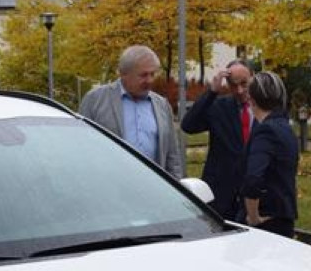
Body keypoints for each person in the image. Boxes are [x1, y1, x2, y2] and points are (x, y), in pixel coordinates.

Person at [78, 45, 183, 178]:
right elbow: (81, 146)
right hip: (108, 183)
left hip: (152, 184)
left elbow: (172, 155)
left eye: (153, 74)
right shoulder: (95, 100)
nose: (149, 80)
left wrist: (175, 185)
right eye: (143, 75)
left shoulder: (161, 105)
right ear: (124, 74)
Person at [180, 59, 254, 219]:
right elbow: (188, 125)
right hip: (221, 194)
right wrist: (212, 92)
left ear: (252, 78)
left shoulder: (263, 108)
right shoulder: (219, 107)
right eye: (233, 85)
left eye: (244, 83)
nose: (240, 90)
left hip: (253, 192)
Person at [241, 71, 299, 237]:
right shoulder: (285, 128)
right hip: (284, 216)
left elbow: (253, 179)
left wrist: (253, 217)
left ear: (251, 99)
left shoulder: (265, 131)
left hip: (267, 221)